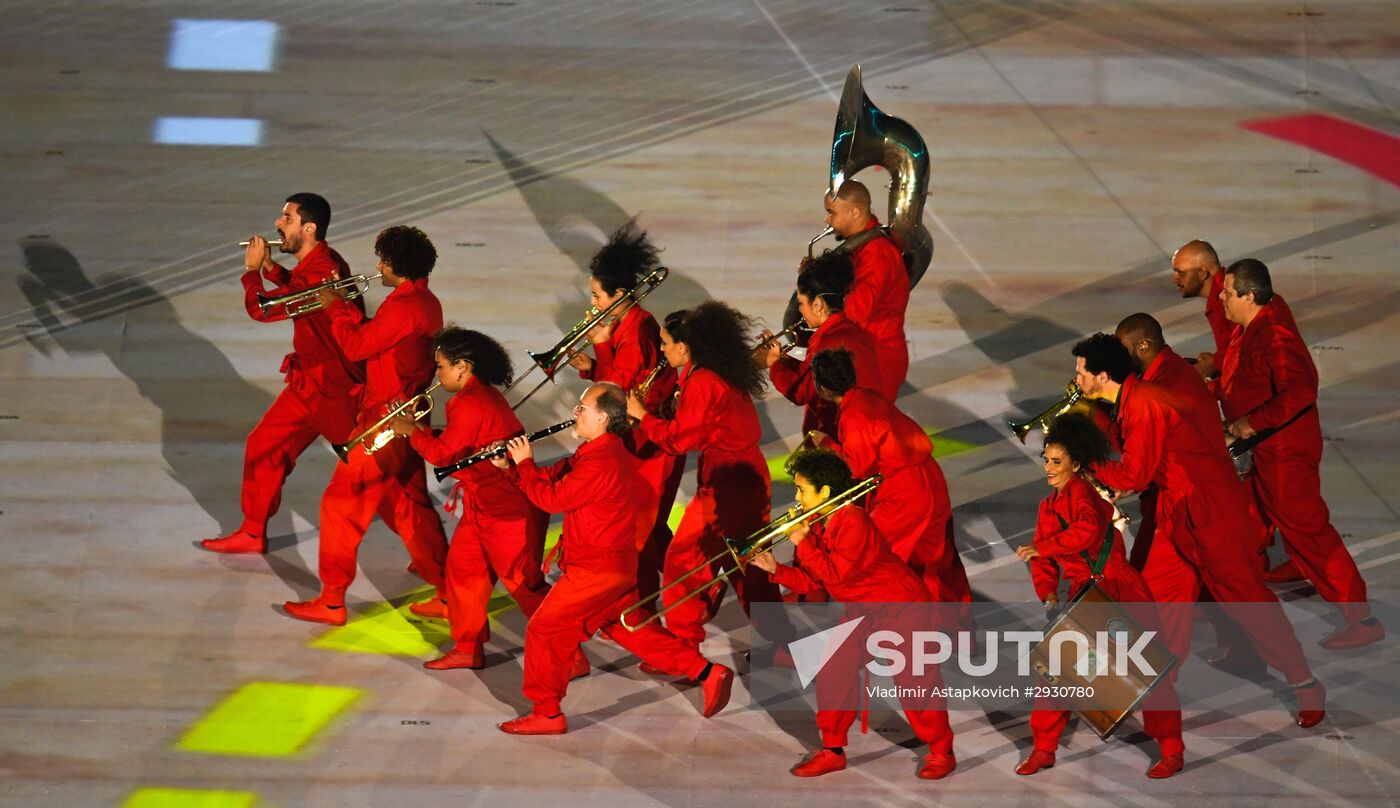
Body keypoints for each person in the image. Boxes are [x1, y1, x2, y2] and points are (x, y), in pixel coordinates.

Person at [1070, 333, 1325, 727]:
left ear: (1101, 376)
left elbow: (1134, 473)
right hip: (1178, 512)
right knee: (1151, 600)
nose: (1076, 377)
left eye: (1080, 371)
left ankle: (1305, 683)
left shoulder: (1144, 404)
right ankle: (1147, 692)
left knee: (1247, 600)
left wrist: (1087, 464)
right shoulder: (1134, 401)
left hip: (1213, 514)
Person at [491, 383, 735, 735]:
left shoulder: (601, 462)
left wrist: (525, 463)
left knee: (544, 629)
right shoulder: (595, 451)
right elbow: (552, 478)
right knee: (627, 628)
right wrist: (512, 469)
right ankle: (708, 672)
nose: (576, 413)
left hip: (596, 570)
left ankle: (546, 712)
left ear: (602, 418)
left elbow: (552, 499)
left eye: (582, 408)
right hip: (613, 567)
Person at [749, 449, 956, 780]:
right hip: (864, 610)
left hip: (902, 608)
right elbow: (815, 579)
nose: (797, 497)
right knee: (834, 669)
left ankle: (942, 750)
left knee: (916, 683)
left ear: (825, 492)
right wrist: (776, 570)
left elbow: (835, 575)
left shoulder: (854, 521)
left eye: (802, 489)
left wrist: (802, 541)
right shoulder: (821, 522)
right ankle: (832, 749)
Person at [281, 226, 449, 626]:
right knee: (411, 506)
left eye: (384, 261)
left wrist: (336, 308)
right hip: (407, 419)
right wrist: (350, 309)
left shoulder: (404, 307)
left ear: (398, 266)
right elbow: (378, 337)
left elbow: (356, 347)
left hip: (383, 422)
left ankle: (333, 600)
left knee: (340, 507)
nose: (378, 267)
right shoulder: (425, 302)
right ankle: (446, 588)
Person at [1218, 260, 1382, 650]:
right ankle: (1290, 567)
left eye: (1227, 293)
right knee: (1257, 517)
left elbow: (1300, 391)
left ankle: (1362, 618)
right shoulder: (1258, 321)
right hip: (1267, 448)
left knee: (1309, 529)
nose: (1222, 298)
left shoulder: (1273, 335)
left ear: (1249, 296)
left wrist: (1248, 424)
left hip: (1284, 452)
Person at [1013, 413, 1185, 778]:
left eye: (1056, 461)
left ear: (1075, 464)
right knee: (1057, 674)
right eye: (1046, 459)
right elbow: (1045, 564)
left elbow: (1087, 532)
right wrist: (1047, 593)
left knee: (1146, 671)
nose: (1048, 467)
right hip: (1083, 594)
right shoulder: (1047, 506)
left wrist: (1042, 548)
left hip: (1119, 590)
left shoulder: (1083, 493)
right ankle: (1044, 748)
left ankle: (1171, 748)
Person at [201, 193, 364, 554]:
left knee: (376, 475)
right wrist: (273, 270)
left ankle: (431, 556)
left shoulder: (322, 270)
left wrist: (251, 272)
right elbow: (297, 287)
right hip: (308, 383)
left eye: (286, 218)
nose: (277, 224)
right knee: (264, 446)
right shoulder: (320, 260)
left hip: (334, 391)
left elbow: (264, 310)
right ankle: (253, 531)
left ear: (309, 228)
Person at [388, 327, 551, 668]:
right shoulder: (477, 397)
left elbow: (444, 455)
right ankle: (467, 647)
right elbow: (459, 444)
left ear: (462, 366)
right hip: (483, 506)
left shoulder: (469, 402)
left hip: (508, 512)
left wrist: (411, 432)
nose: (437, 373)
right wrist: (418, 429)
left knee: (524, 587)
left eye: (441, 366)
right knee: (464, 573)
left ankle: (568, 654)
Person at [625, 302, 779, 652]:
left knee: (682, 561)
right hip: (749, 475)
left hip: (727, 483)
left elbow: (680, 440)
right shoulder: (712, 371)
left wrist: (642, 416)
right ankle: (780, 644)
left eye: (665, 343)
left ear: (684, 347)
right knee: (749, 563)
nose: (661, 350)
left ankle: (684, 648)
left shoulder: (702, 381)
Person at [567, 222, 683, 609]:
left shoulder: (635, 332)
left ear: (620, 294)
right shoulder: (628, 324)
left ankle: (644, 611)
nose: (593, 304)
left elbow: (616, 393)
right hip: (640, 440)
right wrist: (589, 367)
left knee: (640, 532)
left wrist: (600, 350)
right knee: (647, 530)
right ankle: (688, 579)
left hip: (649, 445)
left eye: (598, 296)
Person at [807, 348, 970, 611]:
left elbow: (856, 468)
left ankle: (883, 632)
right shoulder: (868, 397)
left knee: (873, 562)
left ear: (822, 389)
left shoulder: (854, 416)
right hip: (929, 477)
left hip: (903, 493)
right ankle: (959, 632)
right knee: (939, 560)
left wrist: (826, 444)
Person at [761, 251, 883, 437]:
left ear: (817, 305)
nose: (800, 311)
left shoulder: (827, 341)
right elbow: (810, 372)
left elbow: (800, 392)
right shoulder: (851, 331)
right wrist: (783, 359)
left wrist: (774, 364)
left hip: (841, 433)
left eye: (801, 303)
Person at [819, 179, 909, 398]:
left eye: (832, 212)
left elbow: (858, 310)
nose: (827, 219)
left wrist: (821, 290)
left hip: (874, 360)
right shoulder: (863, 247)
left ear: (855, 212)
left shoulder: (876, 255)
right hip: (862, 354)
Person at [1169, 239, 1232, 381]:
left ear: (1202, 273)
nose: (1175, 279)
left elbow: (1252, 351)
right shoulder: (1220, 295)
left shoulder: (1229, 299)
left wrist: (1215, 363)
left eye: (1181, 273)